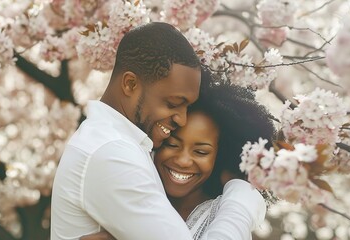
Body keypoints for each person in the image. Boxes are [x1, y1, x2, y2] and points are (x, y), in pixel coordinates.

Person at [50, 22, 266, 240]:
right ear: (130, 84)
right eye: (173, 103)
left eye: (186, 107)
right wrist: (242, 200)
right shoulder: (113, 153)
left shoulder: (117, 143)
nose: (181, 119)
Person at [82, 69, 276, 240]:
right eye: (172, 144)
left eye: (201, 152)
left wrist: (241, 196)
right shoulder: (126, 193)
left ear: (220, 155)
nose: (183, 161)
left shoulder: (222, 215)